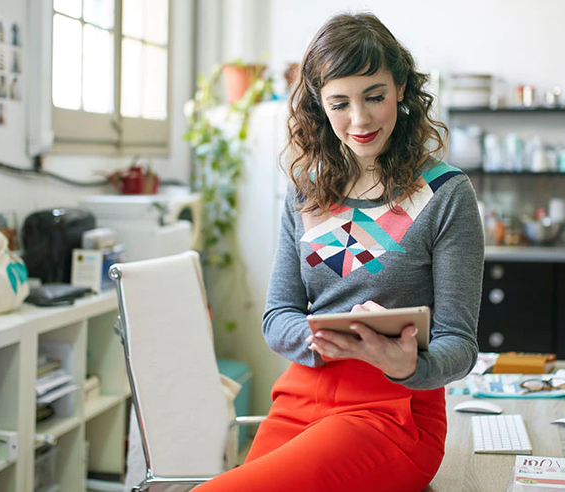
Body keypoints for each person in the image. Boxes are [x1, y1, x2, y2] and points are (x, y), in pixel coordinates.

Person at [192, 13, 483, 492]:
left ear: (401, 89)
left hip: (395, 411)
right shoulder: (306, 190)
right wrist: (327, 339)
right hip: (300, 394)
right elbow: (277, 317)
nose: (360, 119)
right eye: (340, 103)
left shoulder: (447, 194)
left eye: (375, 96)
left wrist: (404, 363)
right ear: (319, 106)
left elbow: (460, 344)